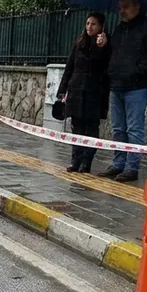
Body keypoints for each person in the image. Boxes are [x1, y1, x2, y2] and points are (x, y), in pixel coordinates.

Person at [98, 0, 147, 183]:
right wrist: (105, 43)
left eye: (125, 7)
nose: (122, 11)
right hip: (117, 84)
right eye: (120, 7)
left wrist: (137, 71)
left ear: (137, 6)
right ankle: (118, 163)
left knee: (134, 129)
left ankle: (131, 167)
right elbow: (114, 53)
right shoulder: (120, 29)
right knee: (118, 128)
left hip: (137, 86)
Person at [56, 12, 110, 173]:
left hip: (94, 93)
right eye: (87, 23)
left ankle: (87, 161)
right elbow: (70, 66)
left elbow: (106, 66)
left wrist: (103, 47)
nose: (89, 27)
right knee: (76, 127)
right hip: (76, 91)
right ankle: (75, 159)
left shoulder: (106, 44)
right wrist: (63, 89)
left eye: (93, 24)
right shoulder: (79, 43)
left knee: (91, 128)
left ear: (100, 26)